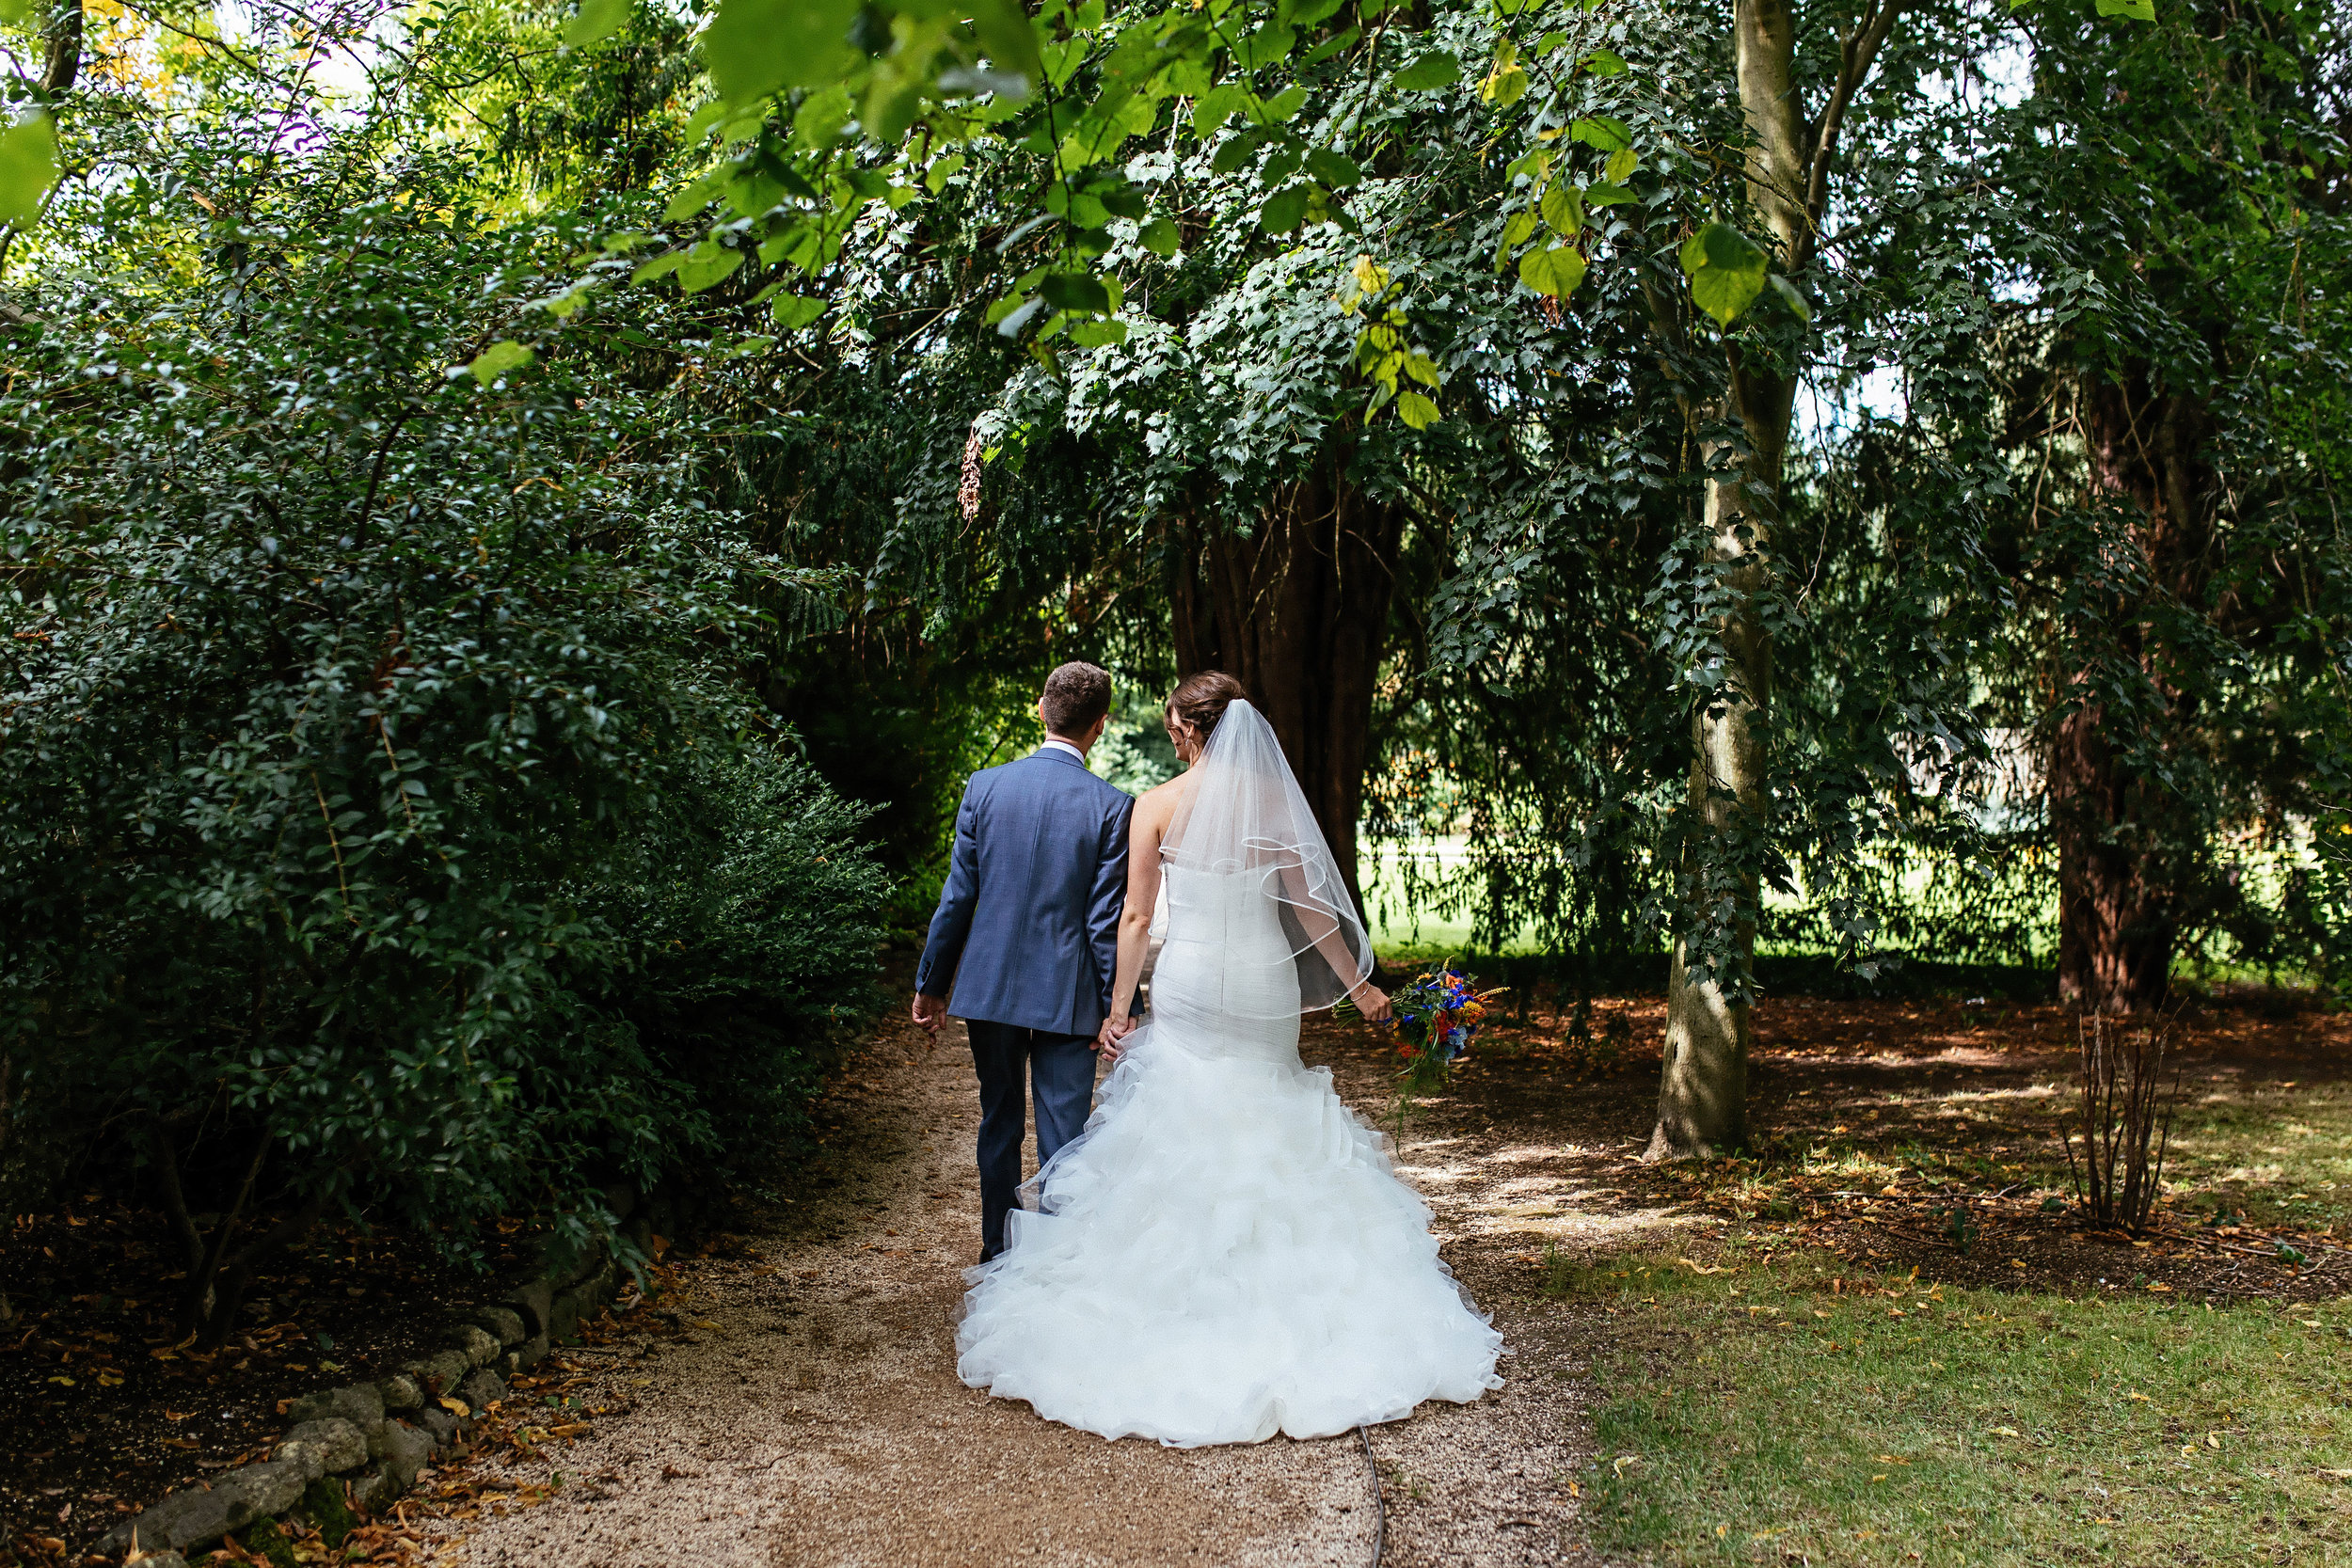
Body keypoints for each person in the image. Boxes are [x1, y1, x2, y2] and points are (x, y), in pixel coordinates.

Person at [954, 671, 1505, 1447]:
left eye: (1176, 722)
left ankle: (1180, 1293)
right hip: (1262, 981)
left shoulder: (1158, 804)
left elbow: (1138, 917)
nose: (1173, 731)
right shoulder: (1275, 805)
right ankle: (1293, 1289)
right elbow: (1312, 909)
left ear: (1186, 727)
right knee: (1268, 1103)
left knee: (1184, 1111)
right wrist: (1362, 987)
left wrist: (1117, 1011)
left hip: (1192, 986)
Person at [912, 661, 1134, 1265]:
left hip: (992, 990)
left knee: (1000, 1120)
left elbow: (959, 896)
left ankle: (997, 1256)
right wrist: (1120, 1006)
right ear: (1101, 726)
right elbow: (1102, 921)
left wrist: (932, 983)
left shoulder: (985, 787)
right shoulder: (1112, 805)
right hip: (1070, 994)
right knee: (1065, 1138)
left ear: (1041, 708)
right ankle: (1058, 1265)